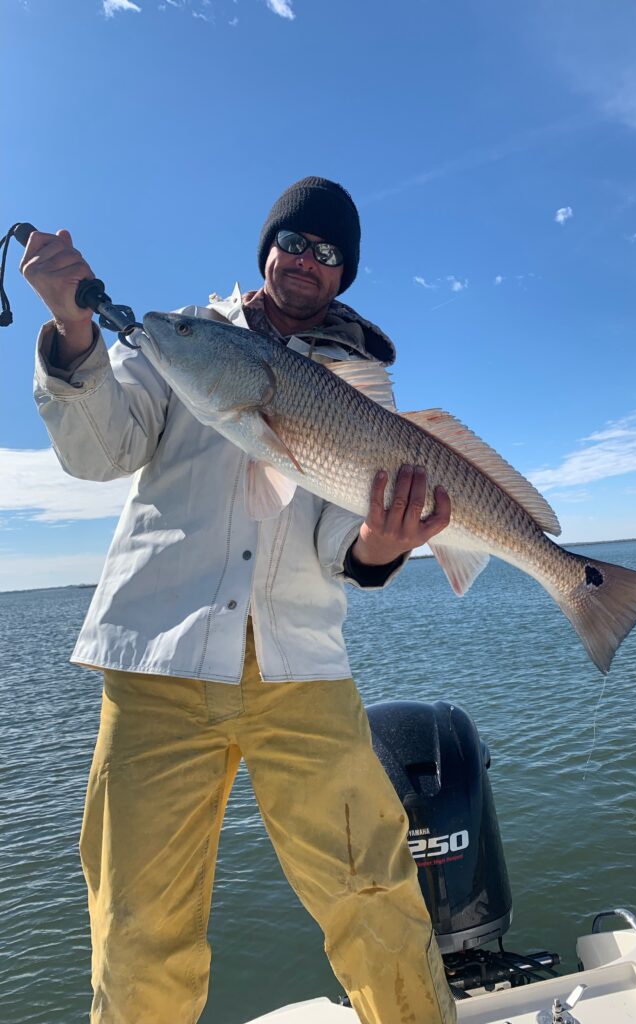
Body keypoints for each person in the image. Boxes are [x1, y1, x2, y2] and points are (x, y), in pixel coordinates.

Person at [22, 177, 456, 1024]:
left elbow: (344, 542)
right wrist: (76, 329)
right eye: (293, 242)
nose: (305, 262)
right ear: (266, 248)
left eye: (328, 254)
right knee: (138, 930)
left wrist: (385, 544)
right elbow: (101, 448)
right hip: (159, 663)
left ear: (345, 275)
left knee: (378, 902)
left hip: (303, 664)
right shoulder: (184, 339)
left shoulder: (359, 381)